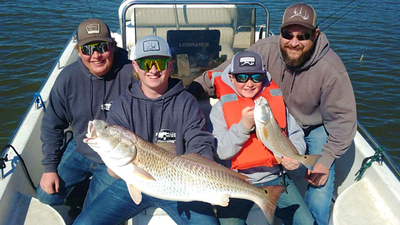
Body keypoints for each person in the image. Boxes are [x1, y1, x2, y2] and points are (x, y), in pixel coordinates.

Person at [187, 3, 357, 225]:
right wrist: (187, 93)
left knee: (319, 184)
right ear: (281, 33)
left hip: (311, 127)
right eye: (288, 34)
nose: (294, 42)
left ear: (315, 35)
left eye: (302, 36)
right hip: (260, 144)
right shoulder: (263, 51)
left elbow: (344, 121)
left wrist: (322, 160)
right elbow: (227, 70)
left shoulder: (331, 69)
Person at [72, 35, 219, 225]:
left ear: (171, 65)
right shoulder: (122, 104)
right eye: (146, 63)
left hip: (181, 183)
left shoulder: (186, 102)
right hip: (131, 182)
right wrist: (114, 166)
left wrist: (206, 173)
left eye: (160, 62)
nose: (154, 69)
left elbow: (199, 141)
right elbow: (115, 169)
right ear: (135, 66)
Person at [37, 18, 135, 212]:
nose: (96, 55)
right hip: (81, 147)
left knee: (94, 214)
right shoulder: (67, 78)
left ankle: (91, 201)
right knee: (46, 196)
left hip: (116, 159)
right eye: (87, 49)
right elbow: (52, 125)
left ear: (113, 46)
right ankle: (82, 195)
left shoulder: (132, 73)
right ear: (79, 52)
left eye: (102, 47)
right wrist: (49, 169)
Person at [209, 51, 315, 224]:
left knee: (306, 222)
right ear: (232, 77)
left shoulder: (272, 102)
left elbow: (295, 135)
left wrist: (296, 156)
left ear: (264, 76)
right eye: (242, 77)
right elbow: (221, 151)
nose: (249, 83)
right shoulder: (220, 109)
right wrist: (243, 126)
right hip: (236, 180)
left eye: (256, 77)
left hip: (275, 176)